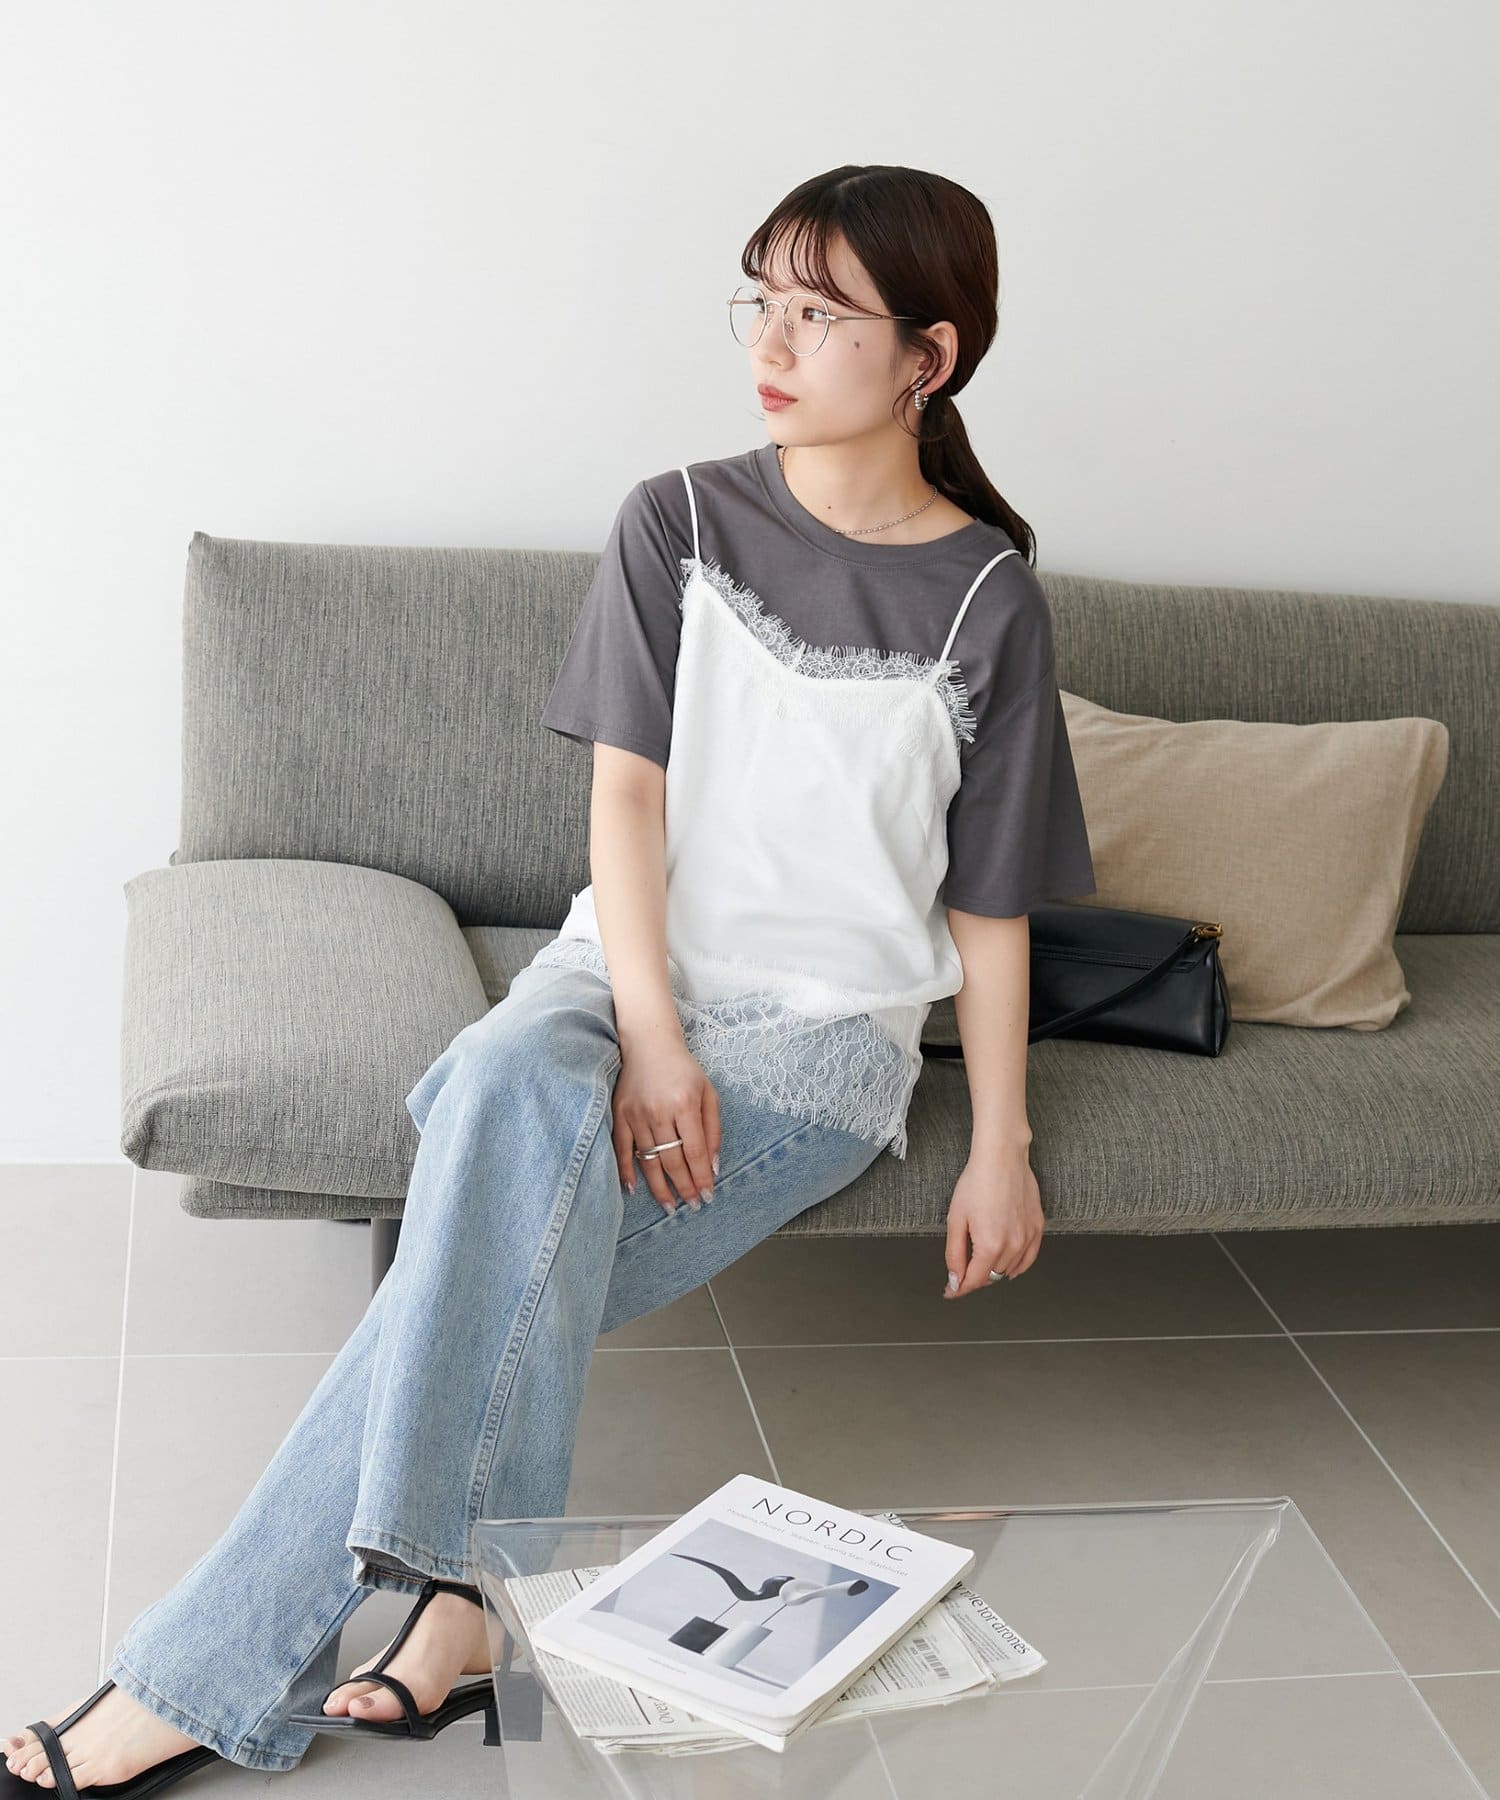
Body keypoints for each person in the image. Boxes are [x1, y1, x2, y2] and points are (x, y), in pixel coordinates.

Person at [2, 161, 1094, 1794]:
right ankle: (448, 1612)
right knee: (505, 1094)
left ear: (930, 357)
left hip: (821, 1044)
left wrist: (1000, 1141)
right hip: (616, 974)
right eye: (761, 301)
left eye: (820, 315)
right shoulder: (681, 519)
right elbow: (627, 801)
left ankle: (234, 1671)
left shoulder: (990, 597)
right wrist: (651, 1036)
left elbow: (990, 904)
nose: (770, 344)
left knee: (469, 1275)